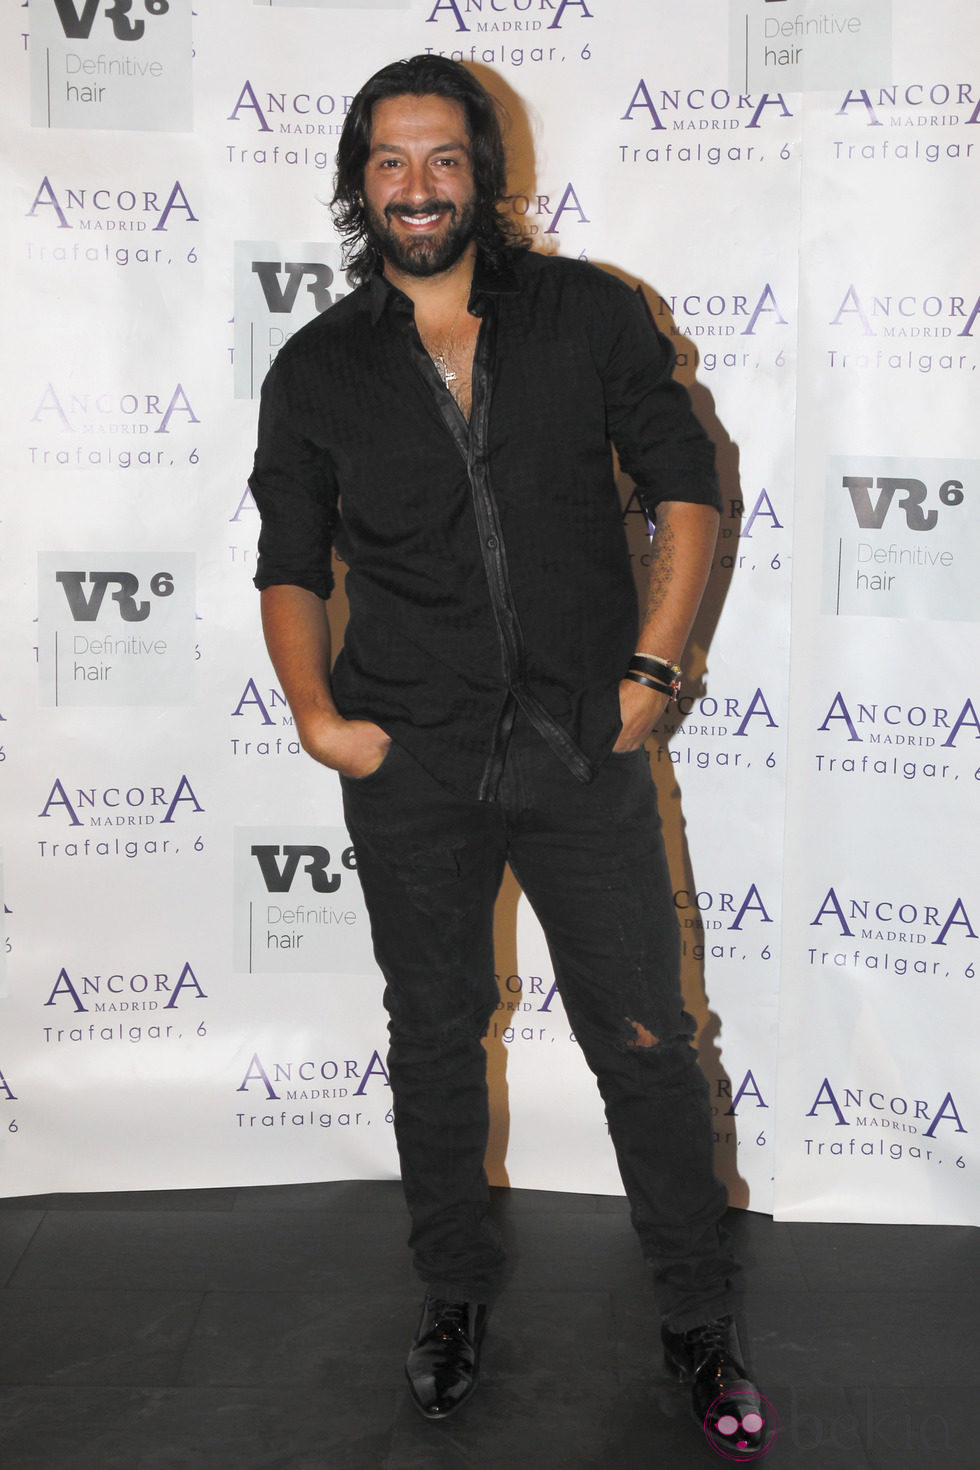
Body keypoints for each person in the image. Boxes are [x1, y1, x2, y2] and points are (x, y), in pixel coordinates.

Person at [249, 53, 766, 1455]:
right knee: (432, 1036)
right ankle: (453, 1297)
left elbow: (685, 482)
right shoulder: (318, 367)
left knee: (647, 1041)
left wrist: (654, 668)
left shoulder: (587, 313)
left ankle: (698, 1317)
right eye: (391, 161)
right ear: (361, 181)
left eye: (443, 158)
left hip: (581, 745)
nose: (418, 187)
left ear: (484, 171)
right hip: (410, 758)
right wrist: (314, 714)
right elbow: (289, 560)